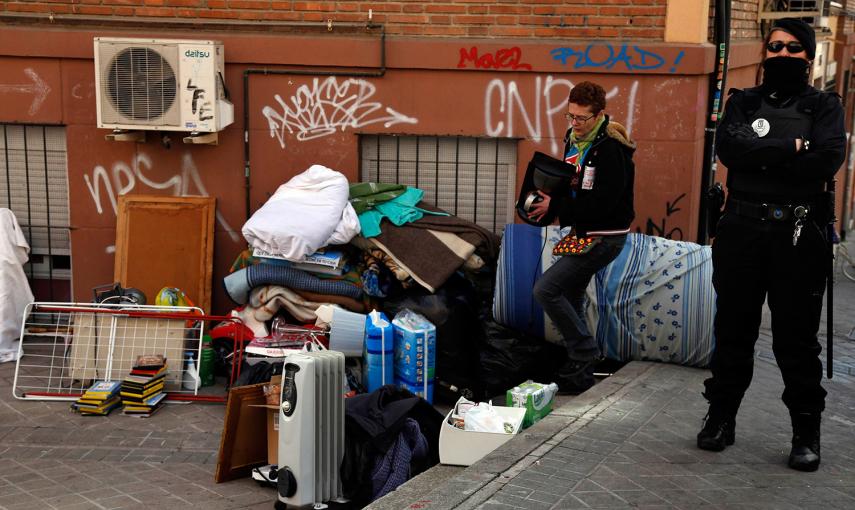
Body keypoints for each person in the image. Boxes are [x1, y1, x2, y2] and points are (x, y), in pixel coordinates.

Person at [698, 18, 845, 472]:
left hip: (798, 238)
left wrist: (765, 153)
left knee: (796, 341)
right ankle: (721, 418)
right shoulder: (744, 101)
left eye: (793, 48)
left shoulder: (824, 106)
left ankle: (805, 431)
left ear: (808, 56)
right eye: (774, 46)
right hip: (742, 231)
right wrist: (791, 147)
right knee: (732, 333)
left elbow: (825, 158)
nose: (781, 54)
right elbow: (728, 150)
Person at [528, 81, 636, 392]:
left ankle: (584, 352)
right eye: (570, 116)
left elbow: (603, 203)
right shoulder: (575, 138)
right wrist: (547, 198)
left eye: (581, 118)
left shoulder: (611, 150)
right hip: (584, 231)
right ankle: (580, 374)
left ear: (600, 115)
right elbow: (571, 182)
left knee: (546, 290)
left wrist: (558, 204)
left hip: (605, 236)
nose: (575, 124)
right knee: (570, 294)